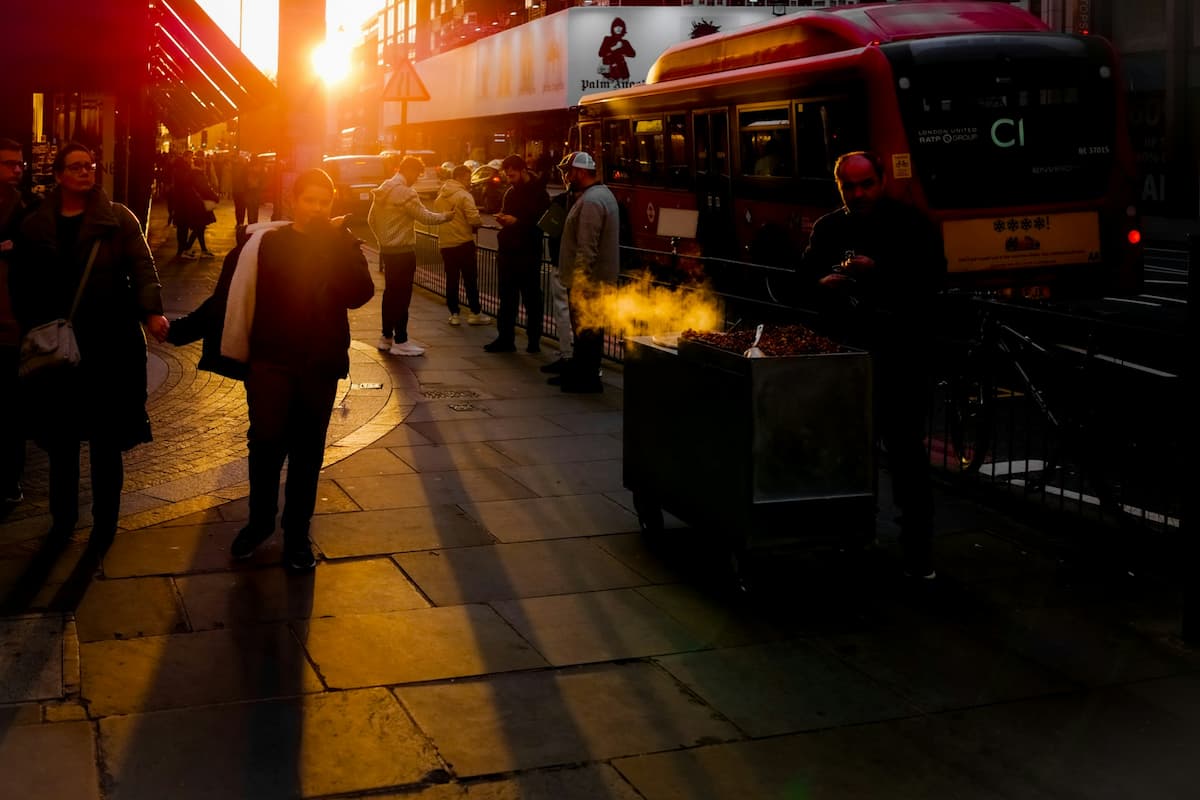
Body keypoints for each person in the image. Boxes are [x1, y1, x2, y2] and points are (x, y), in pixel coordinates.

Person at [10, 142, 169, 546]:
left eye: (90, 166)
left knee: (105, 440)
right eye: (76, 167)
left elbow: (143, 267)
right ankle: (62, 521)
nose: (85, 172)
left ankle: (105, 522)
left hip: (110, 345)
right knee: (61, 443)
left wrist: (152, 313)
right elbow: (22, 281)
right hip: (59, 351)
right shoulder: (35, 224)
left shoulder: (117, 219)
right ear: (59, 175)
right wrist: (32, 325)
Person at [800, 150, 946, 579]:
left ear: (882, 181)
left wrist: (877, 271)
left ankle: (917, 550)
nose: (859, 193)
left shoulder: (910, 223)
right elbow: (803, 279)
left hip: (900, 354)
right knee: (847, 450)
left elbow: (931, 279)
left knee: (905, 453)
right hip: (845, 358)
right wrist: (820, 284)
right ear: (840, 186)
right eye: (850, 186)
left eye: (866, 184)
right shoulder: (829, 227)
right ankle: (849, 539)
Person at [225, 169, 374, 571]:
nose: (317, 208)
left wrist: (337, 250)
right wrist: (172, 326)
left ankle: (296, 536)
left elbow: (362, 293)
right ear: (294, 201)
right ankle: (259, 523)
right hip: (271, 359)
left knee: (308, 452)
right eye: (309, 200)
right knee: (266, 443)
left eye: (323, 201)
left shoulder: (341, 242)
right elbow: (230, 293)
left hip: (319, 362)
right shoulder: (267, 242)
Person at [367, 155, 452, 356]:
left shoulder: (384, 189)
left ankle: (386, 338)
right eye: (417, 174)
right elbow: (425, 217)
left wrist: (384, 240)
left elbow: (371, 219)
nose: (416, 178)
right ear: (410, 171)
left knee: (390, 295)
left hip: (388, 251)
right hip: (403, 252)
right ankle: (401, 340)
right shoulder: (406, 193)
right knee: (403, 296)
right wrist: (446, 217)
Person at [552, 151, 619, 393]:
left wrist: (580, 283)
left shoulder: (591, 201)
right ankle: (582, 375)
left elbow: (587, 247)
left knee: (586, 334)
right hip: (598, 281)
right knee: (589, 333)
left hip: (589, 283)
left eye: (569, 172)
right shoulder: (603, 194)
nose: (567, 177)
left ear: (580, 172)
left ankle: (587, 380)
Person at [486, 154, 549, 354]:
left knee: (532, 300)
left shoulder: (540, 194)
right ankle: (505, 339)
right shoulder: (511, 193)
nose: (509, 178)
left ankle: (533, 342)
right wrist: (504, 218)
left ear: (523, 170)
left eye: (512, 174)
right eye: (507, 174)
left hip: (529, 253)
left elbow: (542, 224)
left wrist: (517, 222)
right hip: (508, 253)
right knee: (507, 299)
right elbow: (507, 212)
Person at [1, 138, 30, 507]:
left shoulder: (27, 211)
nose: (17, 169)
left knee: (11, 414)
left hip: (13, 328)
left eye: (19, 164)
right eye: (9, 164)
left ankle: (9, 480)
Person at [434, 164, 490, 327]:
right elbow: (473, 219)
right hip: (464, 243)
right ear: (459, 177)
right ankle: (474, 313)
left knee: (452, 280)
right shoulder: (464, 196)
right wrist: (478, 222)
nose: (469, 181)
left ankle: (454, 314)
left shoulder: (441, 196)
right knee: (470, 279)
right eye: (467, 178)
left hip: (446, 244)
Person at [539, 183, 576, 376]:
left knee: (562, 309)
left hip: (561, 262)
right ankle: (577, 355)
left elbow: (548, 226)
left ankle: (567, 353)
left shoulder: (563, 200)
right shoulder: (592, 199)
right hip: (581, 265)